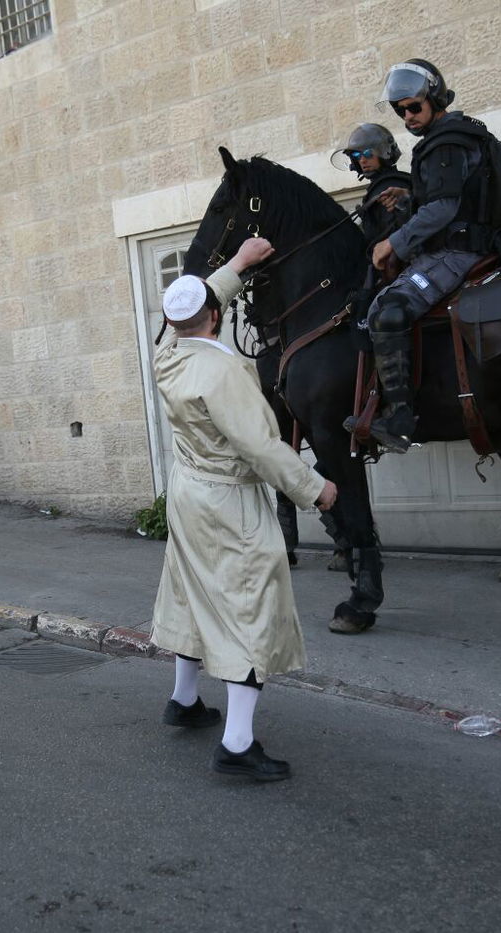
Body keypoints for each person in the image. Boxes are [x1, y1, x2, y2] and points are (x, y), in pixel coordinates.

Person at [150, 236, 337, 783]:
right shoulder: (224, 372)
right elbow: (260, 447)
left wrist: (238, 263)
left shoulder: (167, 353)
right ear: (214, 317)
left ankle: (184, 701)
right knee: (249, 605)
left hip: (188, 491)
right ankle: (237, 743)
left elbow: (201, 304)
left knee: (192, 589)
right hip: (228, 500)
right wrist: (315, 489)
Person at [355, 59, 501, 452]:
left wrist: (392, 243)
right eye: (400, 111)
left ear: (435, 98)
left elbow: (444, 210)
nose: (407, 116)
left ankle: (399, 417)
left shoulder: (445, 140)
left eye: (414, 107)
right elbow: (459, 199)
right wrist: (411, 197)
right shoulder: (459, 135)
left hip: (457, 252)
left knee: (388, 309)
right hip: (468, 243)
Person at [332, 123, 412, 251]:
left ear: (383, 152)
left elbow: (397, 234)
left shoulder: (391, 185)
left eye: (368, 153)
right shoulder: (378, 186)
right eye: (357, 156)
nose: (362, 160)